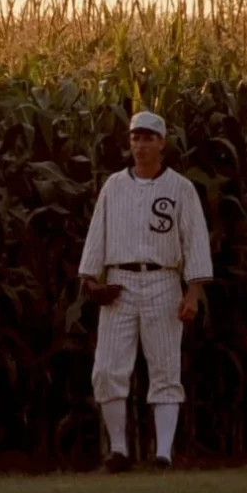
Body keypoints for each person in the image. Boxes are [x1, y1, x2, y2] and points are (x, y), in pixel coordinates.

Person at [78, 110, 212, 471]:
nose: (141, 144)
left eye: (148, 137)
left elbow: (195, 240)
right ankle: (119, 451)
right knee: (107, 369)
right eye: (136, 137)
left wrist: (193, 292)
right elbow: (97, 236)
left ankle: (163, 454)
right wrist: (91, 280)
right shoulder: (114, 186)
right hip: (119, 282)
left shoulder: (180, 189)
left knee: (166, 368)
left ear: (161, 143)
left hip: (163, 281)